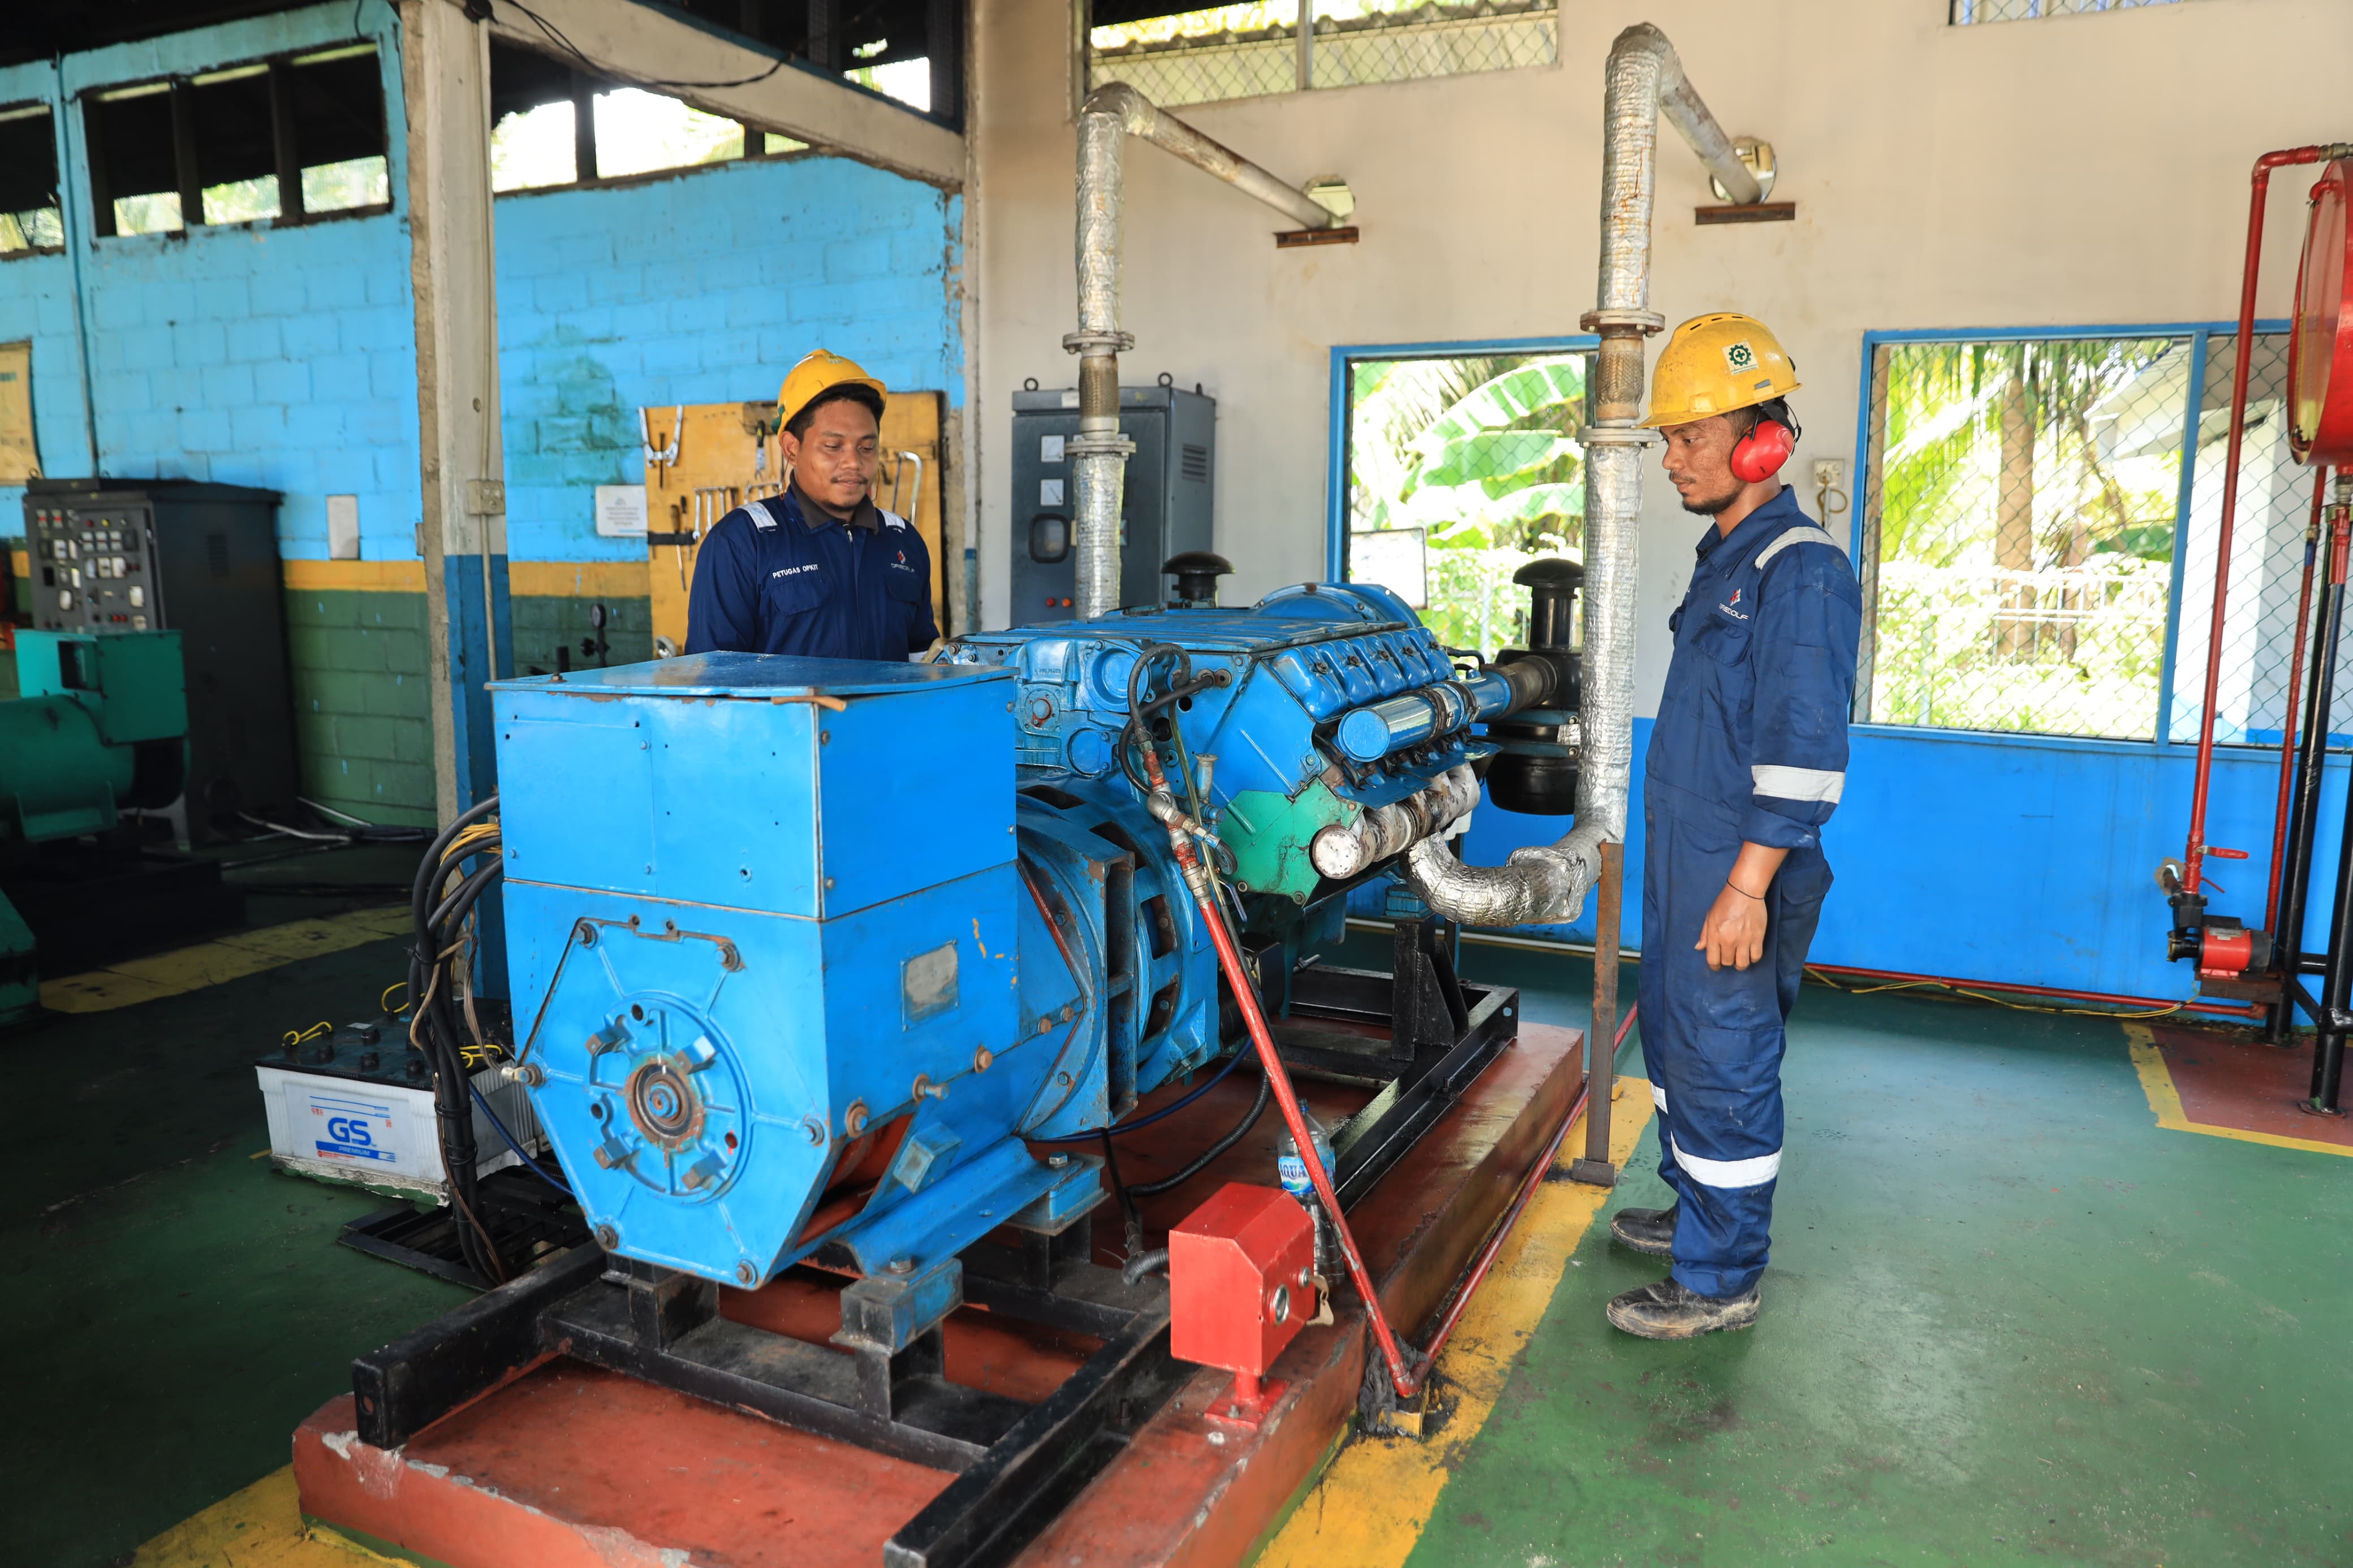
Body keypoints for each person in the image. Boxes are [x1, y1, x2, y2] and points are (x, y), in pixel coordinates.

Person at [1604, 313, 1862, 1340]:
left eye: (1691, 437)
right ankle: (1694, 1213)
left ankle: (1721, 1278)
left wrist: (1748, 885)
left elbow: (1805, 750)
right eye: (1669, 439)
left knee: (1725, 1054)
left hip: (1739, 868)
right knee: (1674, 1043)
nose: (1672, 458)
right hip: (1691, 858)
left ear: (1761, 442)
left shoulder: (1800, 570)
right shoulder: (1730, 558)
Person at [686, 349, 938, 659]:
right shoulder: (742, 542)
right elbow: (713, 679)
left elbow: (923, 659)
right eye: (833, 447)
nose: (854, 463)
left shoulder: (903, 541)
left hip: (887, 711)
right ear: (792, 449)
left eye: (867, 447)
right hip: (792, 711)